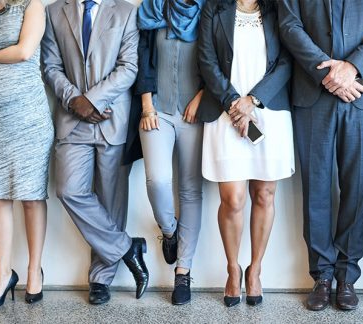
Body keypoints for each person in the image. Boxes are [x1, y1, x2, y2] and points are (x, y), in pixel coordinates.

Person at [279, 0, 363, 311]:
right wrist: (328, 72)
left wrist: (352, 67)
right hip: (312, 90)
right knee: (316, 189)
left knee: (357, 188)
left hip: (362, 91)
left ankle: (347, 276)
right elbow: (290, 25)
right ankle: (321, 275)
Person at [41, 0, 149, 305]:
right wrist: (76, 101)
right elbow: (50, 66)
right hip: (71, 120)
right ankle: (127, 248)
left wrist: (94, 100)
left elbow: (129, 67)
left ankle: (101, 277)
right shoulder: (53, 12)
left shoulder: (127, 12)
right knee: (68, 190)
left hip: (111, 117)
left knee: (111, 201)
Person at [198, 0, 294, 307]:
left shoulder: (279, 8)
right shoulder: (213, 8)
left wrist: (252, 100)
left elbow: (287, 61)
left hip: (269, 109)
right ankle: (232, 269)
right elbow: (206, 60)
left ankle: (255, 270)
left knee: (264, 194)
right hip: (226, 111)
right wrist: (234, 105)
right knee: (233, 198)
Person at [124, 0, 206, 305]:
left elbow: (217, 60)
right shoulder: (153, 8)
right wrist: (146, 105)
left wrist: (202, 97)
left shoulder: (210, 10)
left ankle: (183, 272)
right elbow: (141, 58)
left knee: (190, 191)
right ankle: (170, 232)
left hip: (194, 113)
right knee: (157, 180)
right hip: (155, 110)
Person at [0, 0, 54, 309]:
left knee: (32, 197)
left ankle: (34, 271)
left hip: (29, 120)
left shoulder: (32, 5)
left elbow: (24, 51)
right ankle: (2, 276)